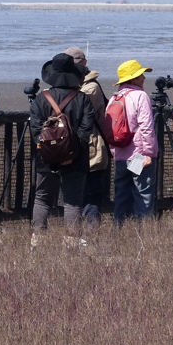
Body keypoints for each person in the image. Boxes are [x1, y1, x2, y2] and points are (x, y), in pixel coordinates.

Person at [29, 53, 95, 240]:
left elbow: (35, 131)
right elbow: (86, 128)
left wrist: (48, 149)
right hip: (76, 158)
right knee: (72, 202)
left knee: (42, 199)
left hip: (45, 158)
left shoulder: (41, 99)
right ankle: (72, 242)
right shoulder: (82, 99)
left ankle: (37, 240)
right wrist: (72, 150)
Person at [110, 59, 158, 224]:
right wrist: (148, 153)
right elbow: (146, 127)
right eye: (140, 75)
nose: (143, 77)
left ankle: (119, 230)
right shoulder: (140, 96)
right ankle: (143, 231)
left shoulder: (114, 97)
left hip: (120, 154)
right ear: (133, 78)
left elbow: (109, 128)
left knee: (121, 194)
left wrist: (114, 152)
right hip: (138, 155)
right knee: (143, 194)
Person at [65, 47, 109, 228]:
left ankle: (90, 229)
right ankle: (81, 228)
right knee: (79, 192)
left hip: (91, 146)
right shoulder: (76, 86)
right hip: (74, 146)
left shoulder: (90, 88)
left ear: (84, 63)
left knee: (91, 191)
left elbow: (85, 115)